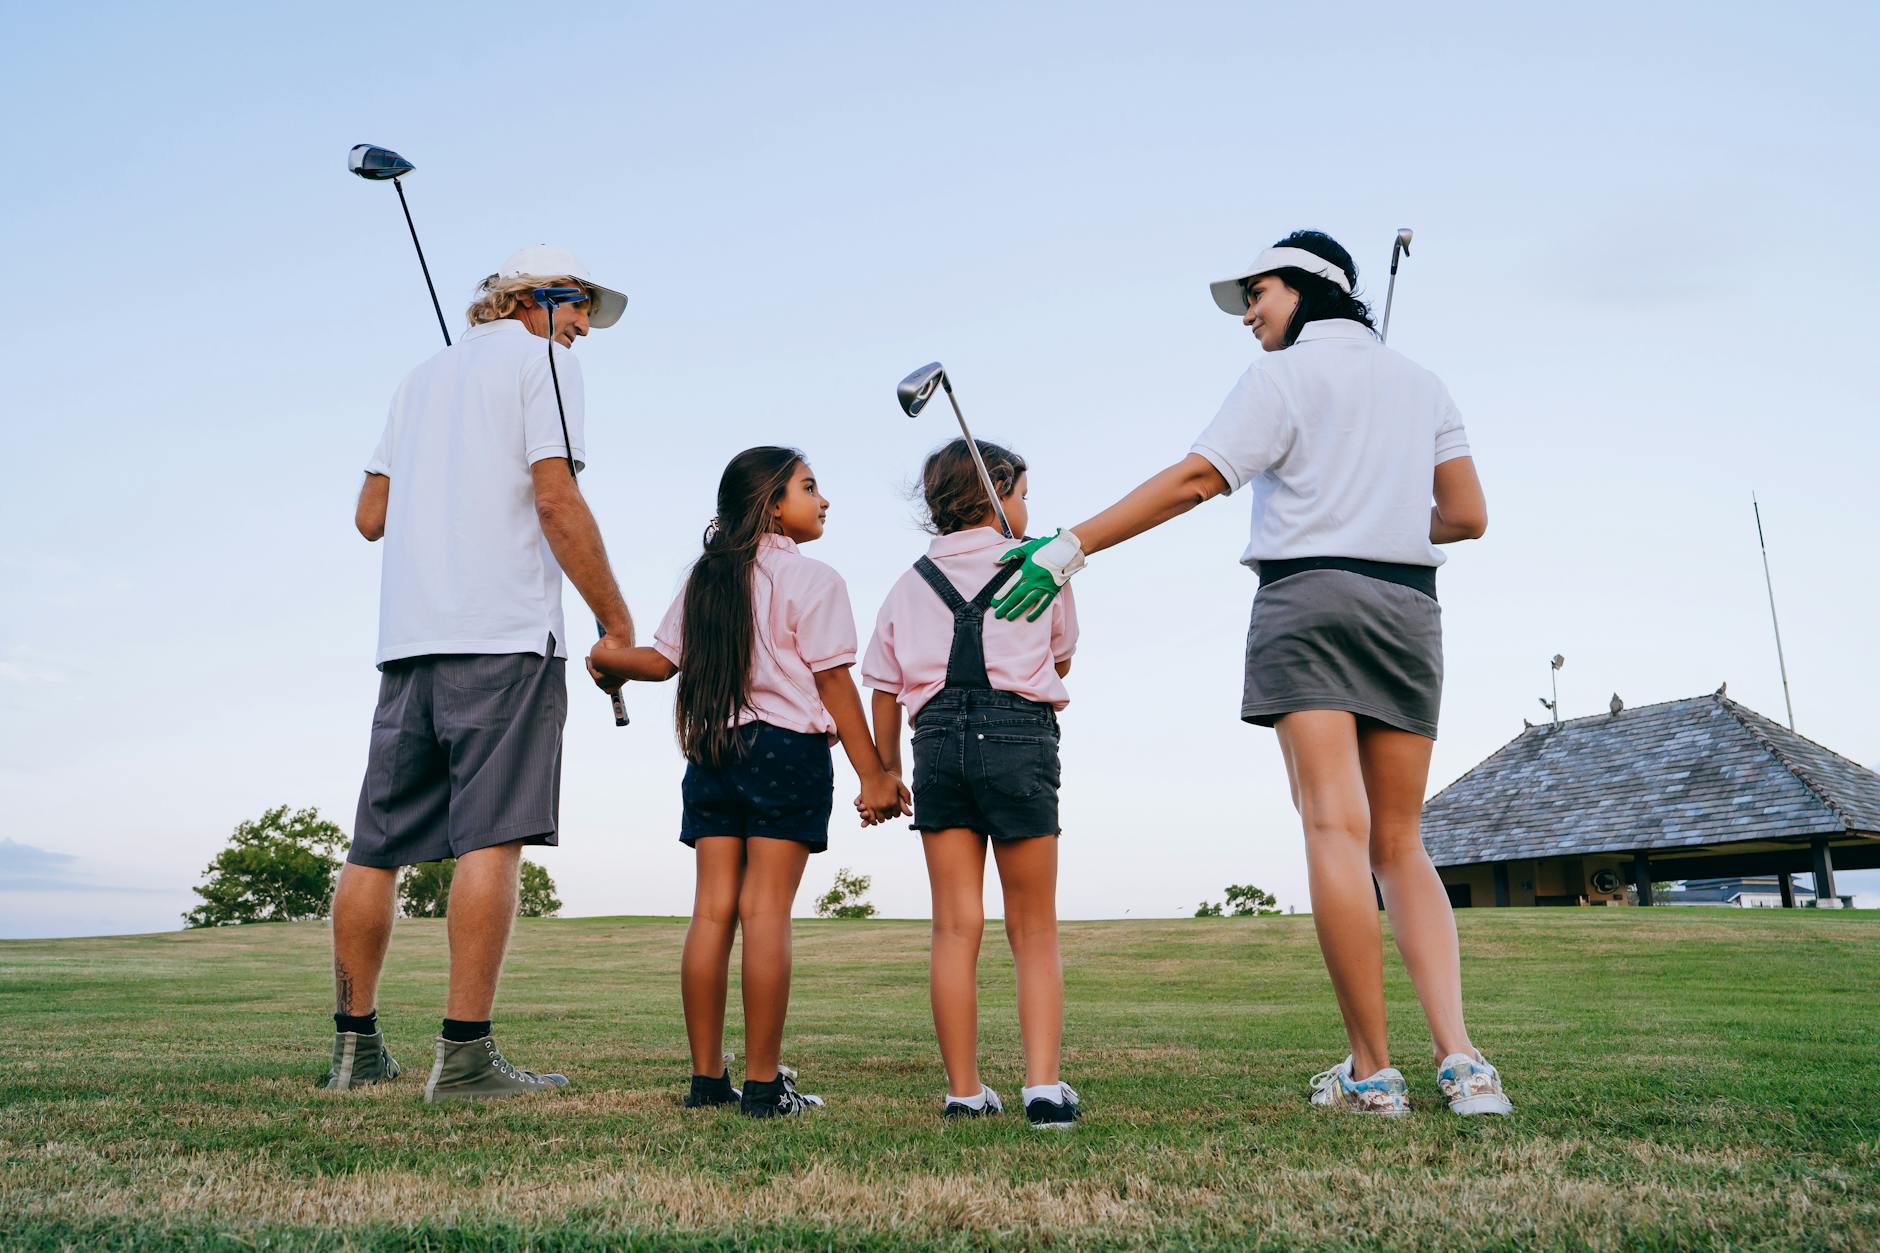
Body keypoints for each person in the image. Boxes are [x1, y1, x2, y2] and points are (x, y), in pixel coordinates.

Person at [992, 230, 1513, 1117]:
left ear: (1310, 287)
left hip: (1308, 599)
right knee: (1401, 841)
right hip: (1406, 607)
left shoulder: (1280, 378)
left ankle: (1372, 1073)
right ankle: (1464, 1065)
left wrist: (1072, 545)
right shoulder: (1423, 383)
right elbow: (1465, 516)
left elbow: (1198, 479)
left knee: (1335, 831)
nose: (1249, 315)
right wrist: (1377, 499)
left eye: (1258, 294)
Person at [325, 244, 635, 1104]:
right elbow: (556, 500)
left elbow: (370, 515)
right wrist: (617, 620)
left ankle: (356, 1050)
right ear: (533, 299)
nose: (581, 328)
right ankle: (463, 1060)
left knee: (376, 845)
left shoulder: (420, 378)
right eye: (576, 307)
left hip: (409, 642)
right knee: (491, 836)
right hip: (503, 634)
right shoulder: (548, 366)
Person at [587, 447, 909, 1117]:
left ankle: (708, 1081)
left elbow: (660, 659)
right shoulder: (815, 579)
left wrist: (609, 660)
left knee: (711, 913)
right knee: (765, 913)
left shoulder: (707, 577)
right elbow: (832, 681)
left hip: (711, 750)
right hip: (786, 751)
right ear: (771, 504)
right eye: (810, 487)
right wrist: (873, 773)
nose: (823, 501)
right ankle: (763, 1087)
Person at [862, 438, 1084, 1129]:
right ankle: (1043, 1090)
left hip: (935, 744)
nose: (1027, 507)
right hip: (1018, 736)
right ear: (998, 492)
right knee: (1033, 926)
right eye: (1021, 492)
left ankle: (964, 1091)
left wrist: (888, 766)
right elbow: (1062, 660)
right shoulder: (1042, 569)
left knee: (955, 924)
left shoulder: (907, 583)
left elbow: (884, 687)